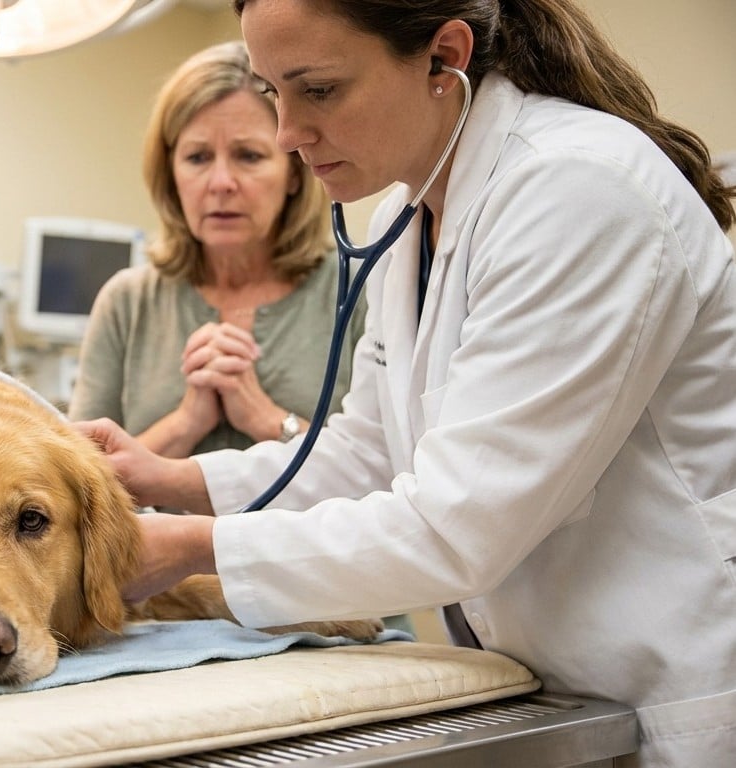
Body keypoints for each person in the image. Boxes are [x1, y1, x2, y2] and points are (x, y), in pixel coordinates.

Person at [74, 1, 736, 765]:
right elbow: (371, 451)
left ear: (442, 56)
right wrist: (176, 478)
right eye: (271, 93)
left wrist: (193, 546)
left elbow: (454, 528)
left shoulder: (578, 191)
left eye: (316, 90)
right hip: (555, 686)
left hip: (669, 681)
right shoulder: (409, 214)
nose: (288, 133)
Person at [69, 41, 364, 460]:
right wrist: (185, 423)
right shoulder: (127, 303)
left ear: (294, 172)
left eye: (248, 155)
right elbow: (76, 485)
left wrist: (267, 420)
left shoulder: (357, 295)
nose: (221, 182)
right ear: (171, 174)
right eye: (198, 157)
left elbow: (384, 474)